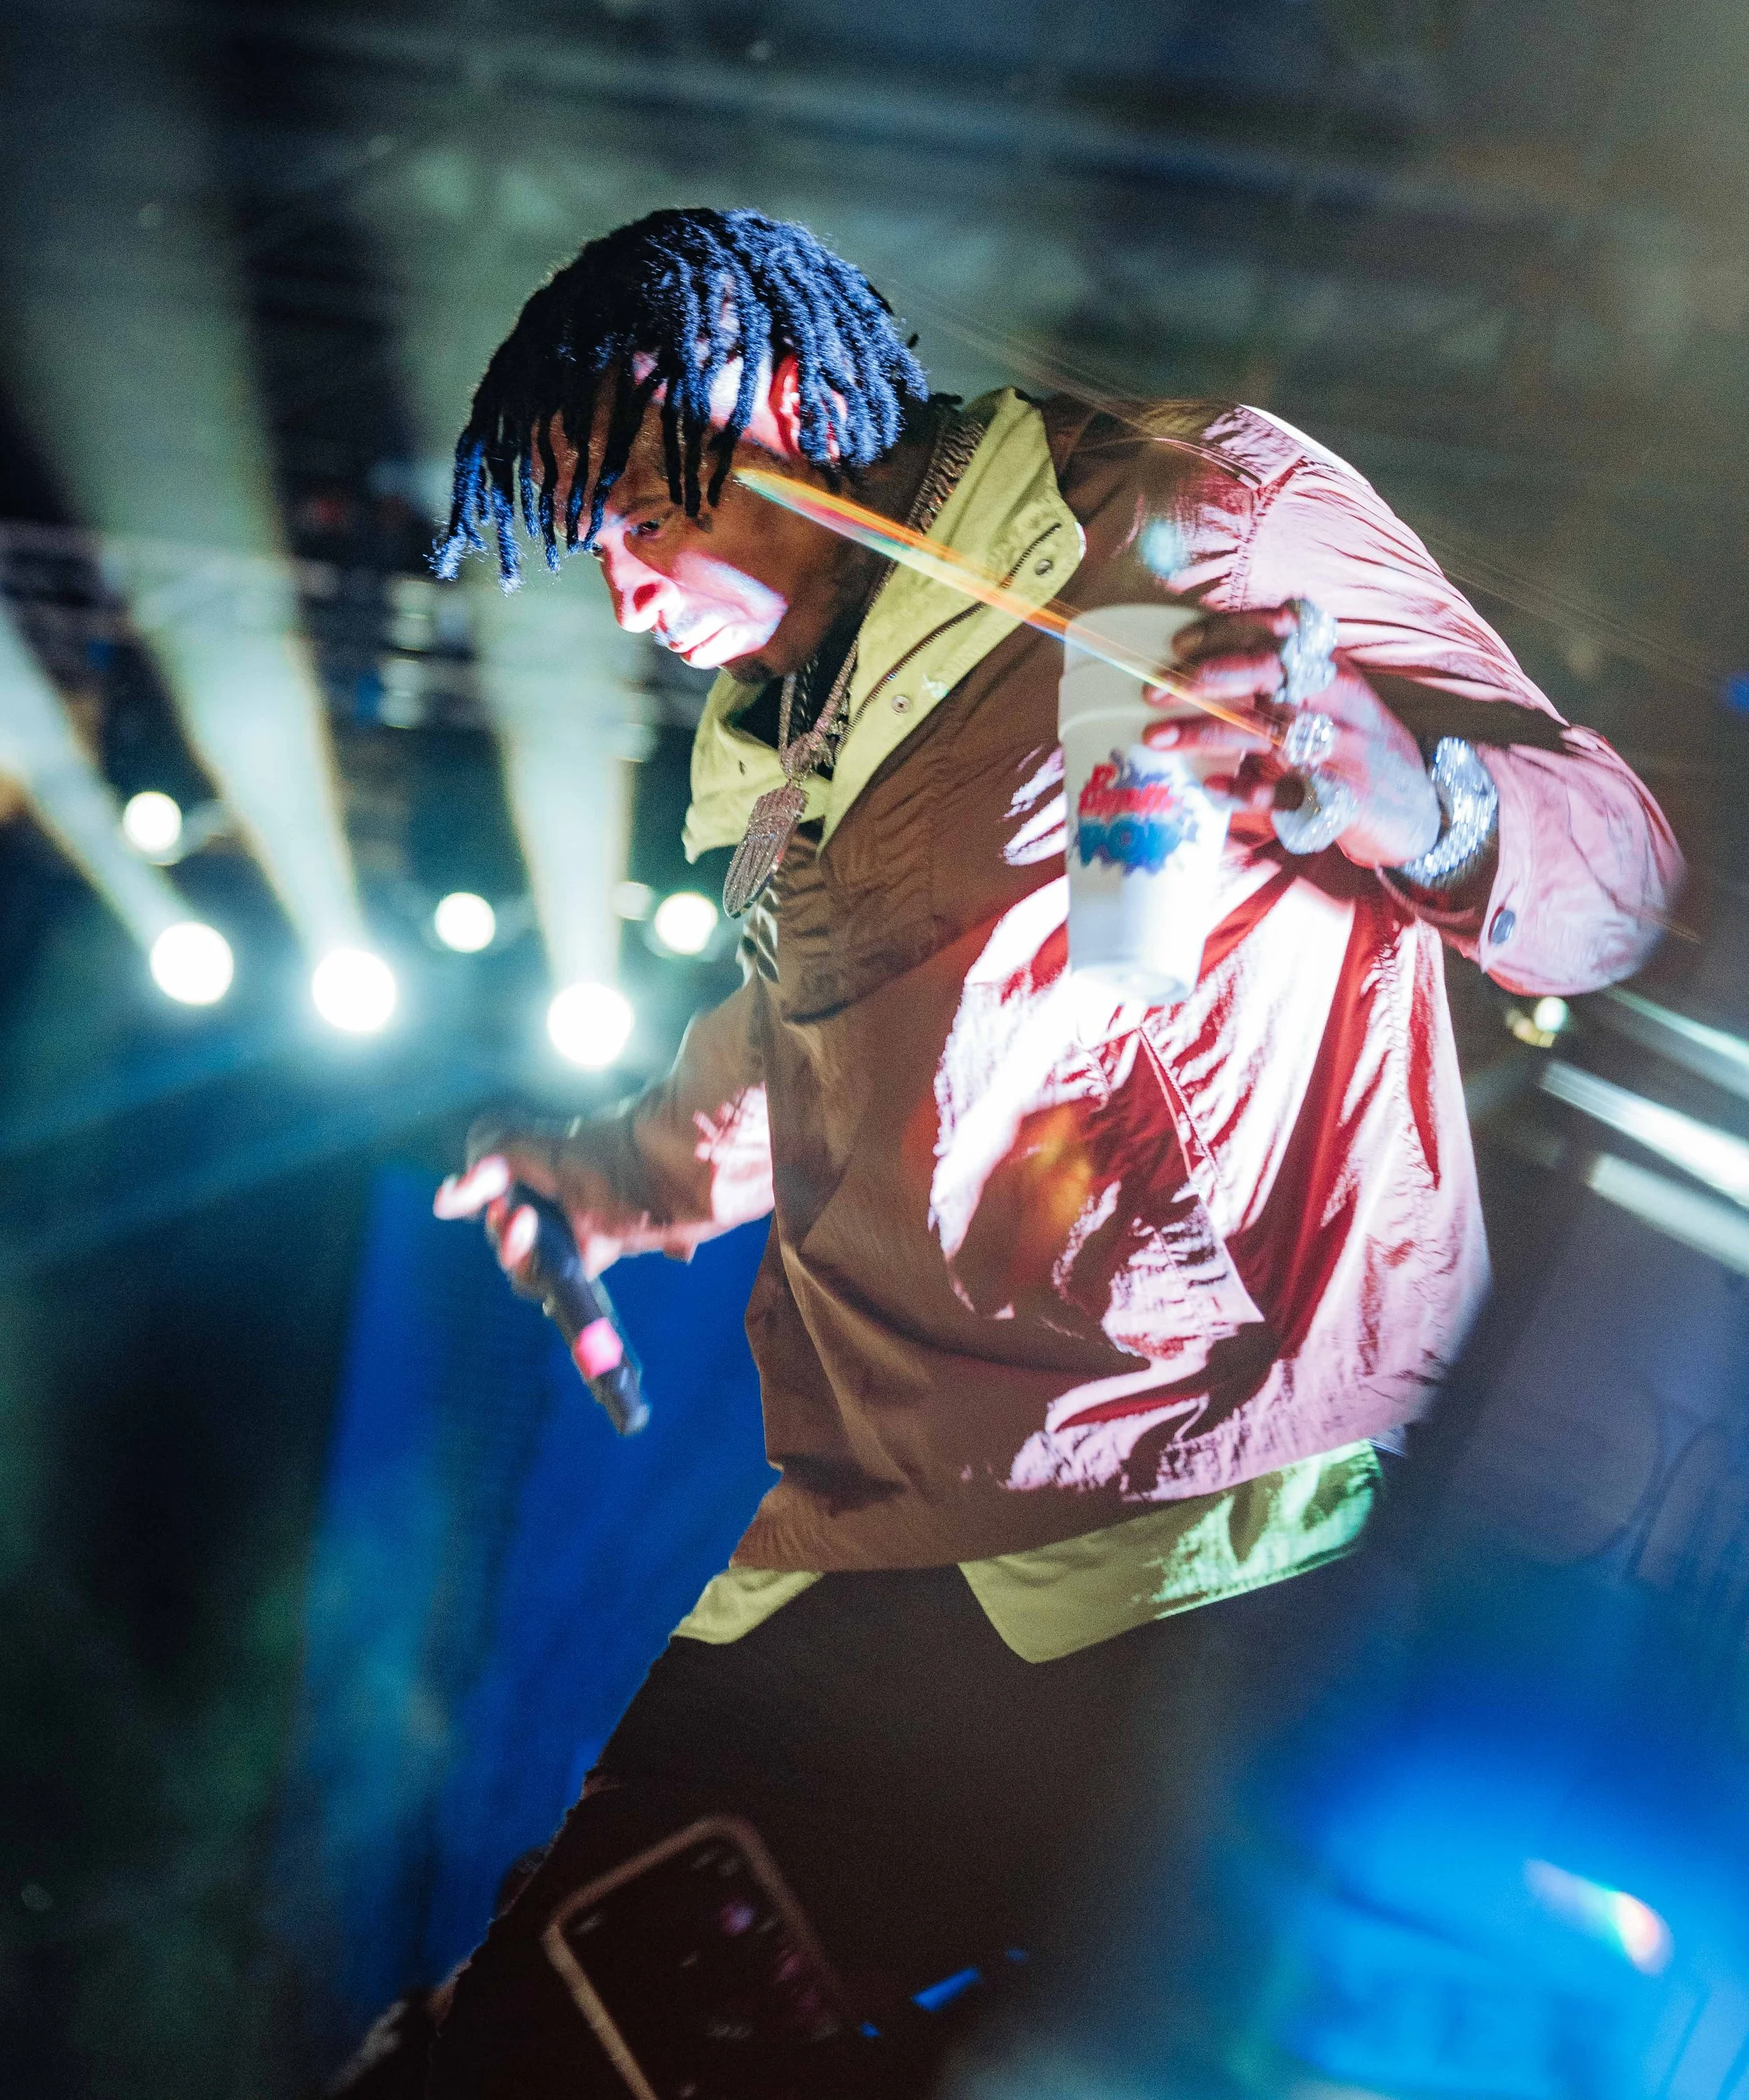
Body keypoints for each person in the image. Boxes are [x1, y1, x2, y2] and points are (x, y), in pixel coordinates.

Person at [421, 206, 1680, 2094]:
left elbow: (1622, 874)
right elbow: (802, 1067)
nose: (618, 586)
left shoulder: (1195, 517)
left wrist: (1416, 798)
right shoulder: (784, 734)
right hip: (876, 1538)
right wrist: (616, 1174)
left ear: (768, 402)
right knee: (516, 2041)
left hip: (1201, 1534)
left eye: (634, 510)